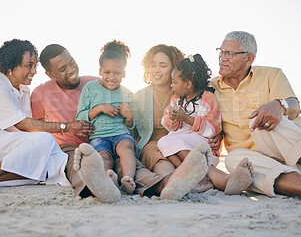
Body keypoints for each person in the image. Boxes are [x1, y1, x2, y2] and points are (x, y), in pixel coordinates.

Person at [33, 43, 211, 202]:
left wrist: (128, 116)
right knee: (82, 164)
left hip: (118, 138)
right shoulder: (41, 93)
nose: (71, 69)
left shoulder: (95, 82)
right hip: (75, 146)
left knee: (132, 163)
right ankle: (99, 187)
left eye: (72, 62)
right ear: (50, 74)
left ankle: (166, 185)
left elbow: (131, 124)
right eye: (63, 68)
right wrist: (66, 127)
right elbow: (31, 128)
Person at [210, 31, 301, 205]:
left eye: (230, 53)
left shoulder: (271, 75)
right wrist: (217, 132)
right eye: (221, 51)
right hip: (262, 165)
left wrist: (280, 105)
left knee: (260, 119)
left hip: (294, 153)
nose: (223, 58)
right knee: (233, 160)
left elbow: (294, 107)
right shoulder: (211, 88)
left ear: (249, 58)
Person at [0, 39, 89, 192]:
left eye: (35, 66)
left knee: (52, 161)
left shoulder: (24, 91)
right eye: (29, 65)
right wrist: (66, 127)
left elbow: (25, 134)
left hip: (1, 149)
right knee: (45, 140)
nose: (34, 71)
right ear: (11, 66)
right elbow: (23, 124)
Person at [134, 45, 253, 195]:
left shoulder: (203, 94)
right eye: (153, 65)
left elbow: (215, 121)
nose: (156, 70)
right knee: (164, 149)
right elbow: (136, 125)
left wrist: (218, 134)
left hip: (193, 140)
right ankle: (200, 180)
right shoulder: (152, 97)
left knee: (174, 147)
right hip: (163, 143)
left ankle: (211, 179)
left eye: (163, 65)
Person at [76, 40, 137, 194]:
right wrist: (99, 108)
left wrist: (129, 115)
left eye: (117, 73)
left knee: (127, 147)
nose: (112, 77)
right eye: (107, 72)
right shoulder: (90, 88)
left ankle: (128, 178)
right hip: (99, 136)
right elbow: (80, 116)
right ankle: (108, 179)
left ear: (124, 73)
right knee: (103, 157)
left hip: (120, 134)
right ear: (100, 71)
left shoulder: (127, 93)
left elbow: (131, 125)